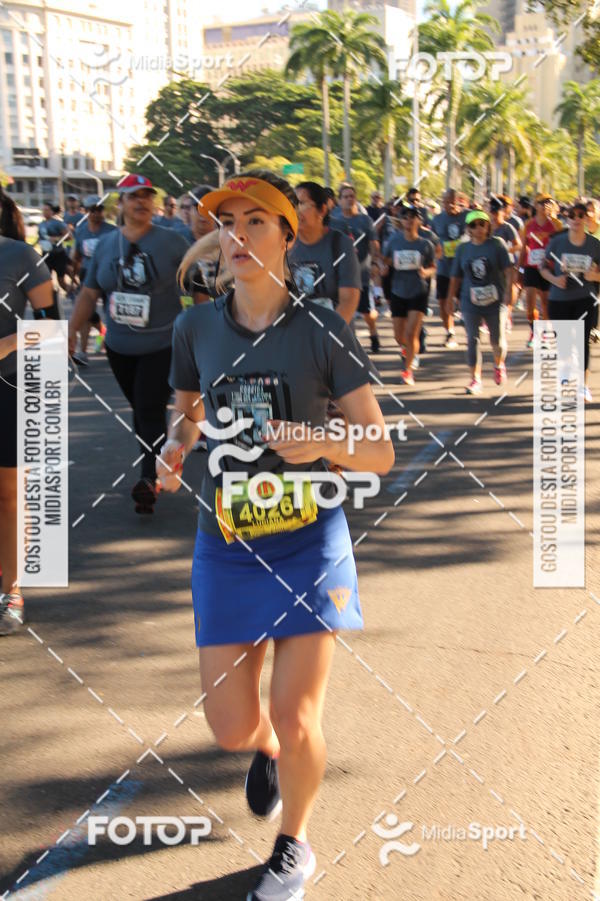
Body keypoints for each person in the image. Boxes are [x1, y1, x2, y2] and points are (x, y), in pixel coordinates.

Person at [157, 170, 394, 901]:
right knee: (232, 728)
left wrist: (323, 438)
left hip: (309, 540)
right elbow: (187, 415)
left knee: (298, 715)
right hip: (227, 543)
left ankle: (293, 843)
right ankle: (261, 751)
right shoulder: (194, 327)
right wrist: (174, 447)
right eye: (226, 223)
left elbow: (379, 449)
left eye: (256, 221)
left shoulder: (322, 327)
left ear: (288, 237)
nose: (237, 235)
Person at [68, 174, 190, 514]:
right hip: (119, 347)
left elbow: (197, 288)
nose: (141, 203)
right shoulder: (107, 244)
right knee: (141, 409)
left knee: (148, 408)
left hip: (163, 343)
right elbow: (90, 293)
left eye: (146, 197)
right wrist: (68, 333)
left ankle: (148, 478)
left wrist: (203, 330)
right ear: (119, 204)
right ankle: (169, 451)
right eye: (133, 197)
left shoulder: (173, 242)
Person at [0, 191, 54, 636]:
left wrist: (8, 343)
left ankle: (12, 590)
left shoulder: (20, 255)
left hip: (9, 386)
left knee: (10, 495)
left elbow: (50, 325)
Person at [540, 201, 600, 403]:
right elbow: (542, 268)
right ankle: (566, 366)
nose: (575, 219)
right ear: (567, 218)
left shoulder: (594, 245)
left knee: (583, 340)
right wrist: (555, 279)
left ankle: (583, 386)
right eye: (572, 215)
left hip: (585, 298)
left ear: (586, 219)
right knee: (565, 340)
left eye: (580, 215)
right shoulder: (557, 242)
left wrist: (595, 277)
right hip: (559, 299)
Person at [448, 209, 512, 395]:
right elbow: (455, 277)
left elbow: (508, 270)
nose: (478, 228)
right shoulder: (463, 249)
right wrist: (451, 298)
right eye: (473, 225)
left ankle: (499, 364)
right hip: (470, 301)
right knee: (472, 339)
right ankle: (475, 379)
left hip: (494, 300)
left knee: (497, 341)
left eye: (482, 224)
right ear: (468, 229)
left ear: (488, 226)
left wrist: (508, 292)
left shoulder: (497, 245)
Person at [288, 181, 360, 323]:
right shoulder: (284, 245)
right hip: (296, 337)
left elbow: (348, 300)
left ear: (322, 210)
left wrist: (327, 336)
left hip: (333, 336)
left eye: (301, 204)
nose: (295, 211)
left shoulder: (340, 244)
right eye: (292, 205)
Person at [381, 205, 435, 385]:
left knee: (412, 333)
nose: (409, 221)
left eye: (413, 217)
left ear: (419, 221)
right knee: (399, 336)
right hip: (398, 291)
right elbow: (385, 260)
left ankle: (408, 370)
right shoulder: (394, 241)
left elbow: (433, 266)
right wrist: (383, 267)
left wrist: (426, 273)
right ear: (401, 221)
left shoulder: (425, 244)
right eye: (405, 217)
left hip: (418, 292)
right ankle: (406, 349)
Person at [330, 183, 381, 352]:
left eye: (352, 196)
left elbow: (374, 244)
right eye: (345, 197)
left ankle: (373, 332)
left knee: (368, 313)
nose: (349, 199)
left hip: (362, 273)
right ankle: (350, 345)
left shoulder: (364, 220)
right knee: (344, 310)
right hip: (340, 275)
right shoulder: (333, 220)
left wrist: (375, 263)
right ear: (339, 200)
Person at [70, 195, 117, 364]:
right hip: (88, 278)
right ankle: (82, 352)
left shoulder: (112, 231)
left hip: (108, 277)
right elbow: (76, 257)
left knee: (111, 313)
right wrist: (73, 280)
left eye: (99, 210)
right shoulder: (81, 231)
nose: (96, 213)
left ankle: (113, 346)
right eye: (92, 210)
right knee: (87, 314)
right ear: (86, 212)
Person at [518, 194, 558, 348]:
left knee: (547, 303)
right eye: (541, 202)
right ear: (535, 205)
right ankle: (534, 330)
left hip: (549, 268)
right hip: (531, 268)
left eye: (549, 202)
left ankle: (545, 332)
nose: (545, 205)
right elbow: (524, 248)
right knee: (530, 305)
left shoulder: (556, 224)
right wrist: (519, 269)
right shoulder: (528, 225)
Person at [432, 189, 467, 348]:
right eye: (446, 201)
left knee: (466, 300)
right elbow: (432, 241)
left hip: (464, 268)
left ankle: (470, 325)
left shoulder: (467, 216)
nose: (449, 205)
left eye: (452, 201)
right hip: (444, 268)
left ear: (458, 201)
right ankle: (450, 333)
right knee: (442, 302)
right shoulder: (437, 219)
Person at [38, 202, 70, 293]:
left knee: (61, 281)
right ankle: (52, 300)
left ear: (52, 211)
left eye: (47, 210)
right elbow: (41, 237)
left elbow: (69, 236)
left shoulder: (58, 223)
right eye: (43, 210)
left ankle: (72, 294)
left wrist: (56, 238)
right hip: (46, 255)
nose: (45, 212)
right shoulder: (41, 224)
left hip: (58, 254)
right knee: (45, 279)